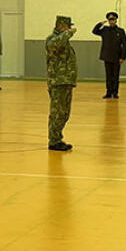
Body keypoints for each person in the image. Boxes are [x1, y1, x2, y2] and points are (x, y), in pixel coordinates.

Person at [45, 15, 77, 151]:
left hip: (66, 82)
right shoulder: (52, 39)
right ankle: (53, 140)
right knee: (57, 112)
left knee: (64, 113)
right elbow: (56, 44)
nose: (69, 28)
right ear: (61, 26)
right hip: (58, 81)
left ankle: (58, 138)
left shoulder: (63, 40)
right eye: (67, 26)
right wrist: (69, 33)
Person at [92, 11, 126, 99]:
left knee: (115, 76)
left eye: (113, 20)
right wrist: (100, 23)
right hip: (107, 56)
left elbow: (125, 44)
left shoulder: (120, 31)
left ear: (116, 20)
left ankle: (115, 92)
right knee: (108, 76)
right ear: (108, 20)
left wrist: (123, 57)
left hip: (117, 57)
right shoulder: (104, 30)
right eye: (110, 20)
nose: (111, 21)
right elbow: (94, 31)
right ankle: (108, 92)